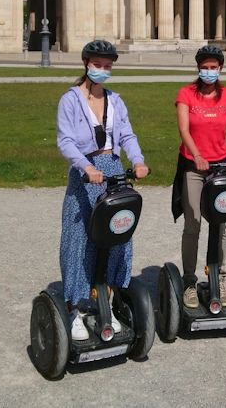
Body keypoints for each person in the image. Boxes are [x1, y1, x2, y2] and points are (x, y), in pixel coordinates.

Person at [56, 40, 150, 342]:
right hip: (86, 177)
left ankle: (105, 305)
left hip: (113, 172)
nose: (103, 70)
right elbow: (66, 141)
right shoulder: (70, 100)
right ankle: (76, 311)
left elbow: (126, 134)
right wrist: (86, 167)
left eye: (108, 66)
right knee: (80, 243)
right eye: (98, 64)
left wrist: (137, 161)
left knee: (116, 239)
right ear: (86, 63)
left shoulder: (115, 100)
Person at [172, 45, 226, 309]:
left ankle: (219, 277)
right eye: (204, 67)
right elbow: (184, 129)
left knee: (220, 224)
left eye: (213, 67)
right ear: (198, 68)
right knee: (193, 223)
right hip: (194, 168)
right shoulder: (187, 94)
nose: (208, 72)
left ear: (220, 69)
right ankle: (189, 282)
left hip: (220, 169)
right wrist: (196, 156)